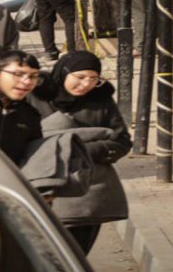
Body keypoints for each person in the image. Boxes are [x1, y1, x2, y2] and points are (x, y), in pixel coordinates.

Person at [26, 51, 130, 254]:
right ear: (64, 73)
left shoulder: (101, 101)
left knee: (76, 254)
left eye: (93, 79)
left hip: (86, 192)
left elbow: (122, 142)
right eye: (80, 78)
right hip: (40, 186)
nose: (86, 85)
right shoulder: (36, 96)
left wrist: (80, 151)